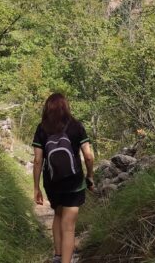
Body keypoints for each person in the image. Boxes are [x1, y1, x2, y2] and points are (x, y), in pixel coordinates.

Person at [32, 93, 95, 263]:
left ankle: (57, 256)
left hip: (52, 182)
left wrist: (36, 187)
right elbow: (88, 157)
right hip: (74, 182)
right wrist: (90, 176)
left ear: (48, 108)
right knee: (69, 227)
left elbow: (38, 160)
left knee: (58, 215)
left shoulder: (42, 127)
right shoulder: (76, 126)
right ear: (66, 107)